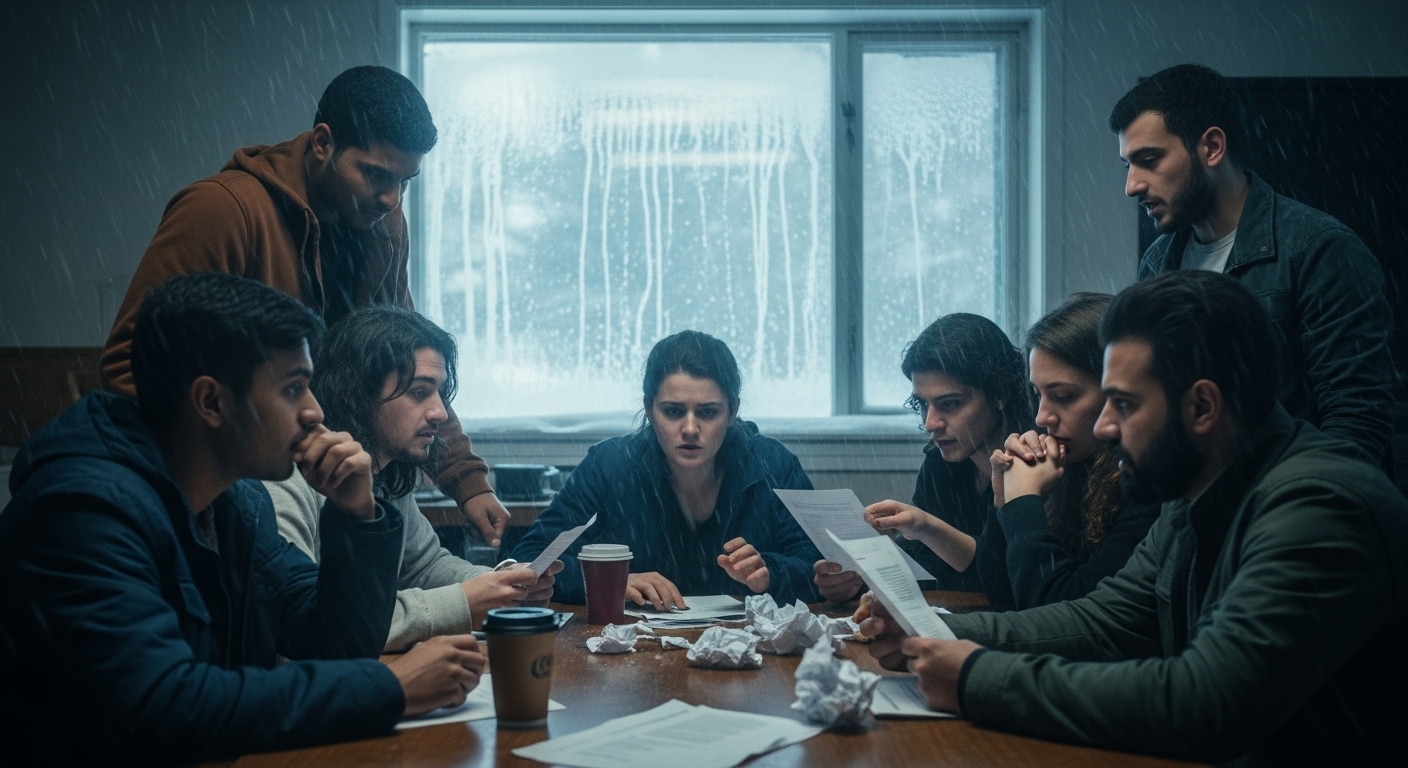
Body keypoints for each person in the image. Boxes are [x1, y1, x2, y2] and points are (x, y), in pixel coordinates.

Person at [861, 271, 1408, 766]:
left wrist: (976, 677)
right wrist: (931, 630)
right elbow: (1101, 621)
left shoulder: (1319, 508)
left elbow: (1207, 703)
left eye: (1122, 404)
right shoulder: (1197, 487)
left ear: (1201, 407)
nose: (1102, 427)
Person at [0, 274, 486, 765]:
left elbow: (333, 643)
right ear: (211, 402)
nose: (316, 412)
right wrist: (392, 685)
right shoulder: (81, 512)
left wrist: (357, 514)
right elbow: (165, 708)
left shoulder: (235, 504)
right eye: (294, 388)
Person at [98, 65, 514, 551]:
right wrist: (225, 477)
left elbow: (409, 358)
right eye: (377, 174)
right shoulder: (223, 210)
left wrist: (466, 480)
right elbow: (130, 364)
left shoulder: (386, 226)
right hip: (233, 494)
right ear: (322, 143)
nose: (391, 197)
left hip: (330, 482)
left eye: (406, 181)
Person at [1113, 63, 1395, 466]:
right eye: (1128, 165)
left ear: (1211, 148)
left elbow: (1356, 421)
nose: (1132, 186)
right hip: (1198, 514)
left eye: (1150, 160)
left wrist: (1291, 516)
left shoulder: (1319, 249)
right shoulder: (1159, 263)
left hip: (1295, 514)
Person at [264, 305, 562, 651]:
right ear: (355, 394)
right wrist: (465, 602)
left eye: (440, 393)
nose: (440, 413)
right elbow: (321, 627)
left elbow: (423, 566)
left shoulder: (387, 472)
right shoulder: (284, 484)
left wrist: (503, 585)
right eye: (419, 392)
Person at [511, 330, 822, 609]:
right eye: (673, 411)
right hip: (633, 656)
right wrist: (611, 582)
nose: (689, 428)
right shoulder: (609, 464)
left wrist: (770, 574)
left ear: (732, 412)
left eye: (708, 412)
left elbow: (825, 571)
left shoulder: (773, 465)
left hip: (753, 655)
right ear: (649, 410)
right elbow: (528, 563)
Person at [814, 313, 1033, 601]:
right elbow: (928, 567)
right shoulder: (940, 467)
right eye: (922, 404)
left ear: (999, 394)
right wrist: (856, 579)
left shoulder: (1033, 464)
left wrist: (927, 527)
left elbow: (1008, 582)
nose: (931, 423)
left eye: (950, 403)